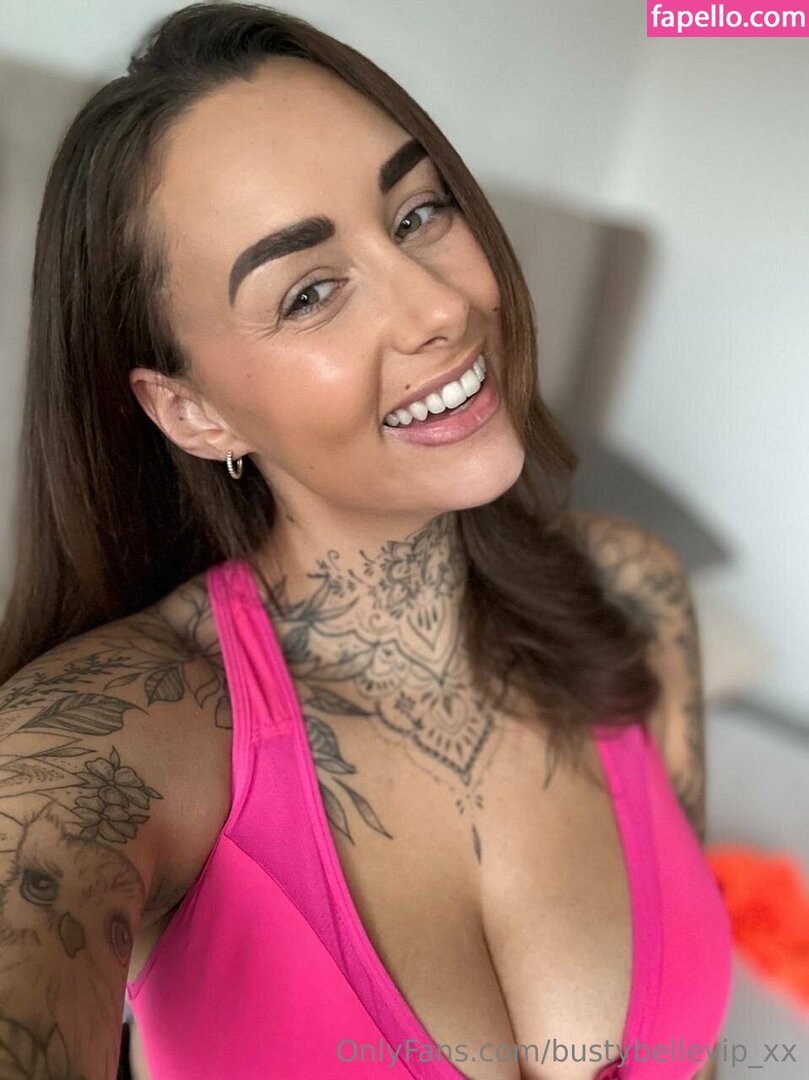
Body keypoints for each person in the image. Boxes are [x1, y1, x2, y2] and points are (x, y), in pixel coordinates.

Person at [0, 4, 732, 1079]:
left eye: (418, 212)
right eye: (309, 293)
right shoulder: (120, 733)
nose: (438, 306)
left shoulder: (632, 592)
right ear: (192, 412)